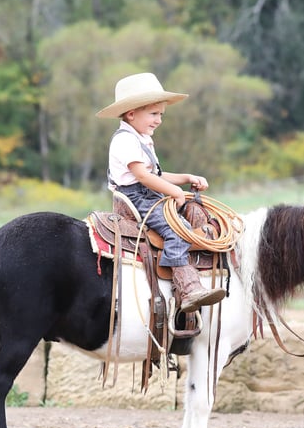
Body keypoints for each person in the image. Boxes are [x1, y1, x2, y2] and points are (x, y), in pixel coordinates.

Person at [96, 72, 225, 313]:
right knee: (177, 230)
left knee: (194, 216)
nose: (159, 121)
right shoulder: (125, 141)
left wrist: (186, 178)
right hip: (135, 199)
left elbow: (155, 175)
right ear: (131, 113)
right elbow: (143, 177)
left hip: (148, 194)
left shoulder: (141, 138)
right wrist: (175, 191)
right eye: (154, 114)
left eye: (161, 115)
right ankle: (187, 289)